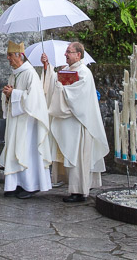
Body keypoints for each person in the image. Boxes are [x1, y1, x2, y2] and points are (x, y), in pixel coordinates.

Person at [41, 42, 109, 202]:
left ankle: (79, 192)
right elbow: (53, 83)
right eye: (66, 52)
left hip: (80, 123)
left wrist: (60, 88)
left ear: (78, 54)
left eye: (69, 52)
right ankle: (75, 189)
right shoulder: (68, 70)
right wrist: (47, 67)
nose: (66, 55)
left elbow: (77, 95)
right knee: (73, 156)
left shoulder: (84, 73)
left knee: (79, 156)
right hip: (70, 123)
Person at [0, 41, 52, 199]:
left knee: (26, 152)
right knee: (15, 151)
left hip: (28, 123)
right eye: (8, 55)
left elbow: (33, 99)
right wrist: (7, 94)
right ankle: (14, 184)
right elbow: (12, 95)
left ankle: (30, 185)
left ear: (20, 55)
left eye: (10, 55)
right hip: (16, 119)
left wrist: (13, 93)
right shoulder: (14, 73)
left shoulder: (30, 74)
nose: (8, 59)